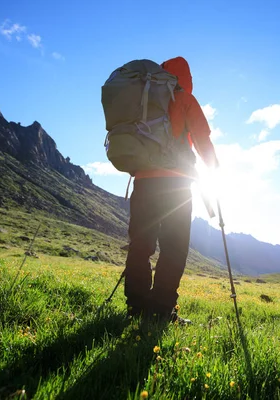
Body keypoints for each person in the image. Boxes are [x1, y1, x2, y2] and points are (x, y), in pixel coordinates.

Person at [124, 56, 218, 323]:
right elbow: (202, 139)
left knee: (140, 245)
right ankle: (161, 310)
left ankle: (136, 307)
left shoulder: (144, 101)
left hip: (143, 183)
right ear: (185, 79)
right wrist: (215, 168)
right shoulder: (185, 100)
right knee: (174, 248)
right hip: (175, 184)